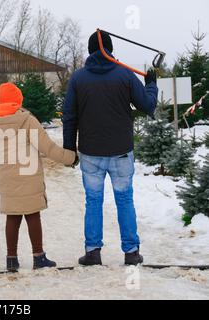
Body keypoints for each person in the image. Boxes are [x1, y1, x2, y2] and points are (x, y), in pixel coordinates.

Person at [62, 31, 159, 266]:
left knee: (93, 201)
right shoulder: (124, 75)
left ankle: (93, 252)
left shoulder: (78, 78)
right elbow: (147, 105)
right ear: (110, 48)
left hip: (90, 152)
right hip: (121, 151)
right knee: (124, 200)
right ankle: (132, 252)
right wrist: (151, 85)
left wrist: (69, 149)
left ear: (89, 50)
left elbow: (69, 116)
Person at [0, 83, 76, 272]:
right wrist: (70, 158)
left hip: (7, 181)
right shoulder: (27, 120)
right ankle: (39, 257)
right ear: (18, 99)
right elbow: (48, 148)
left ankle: (11, 259)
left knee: (12, 217)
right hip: (29, 178)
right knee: (33, 214)